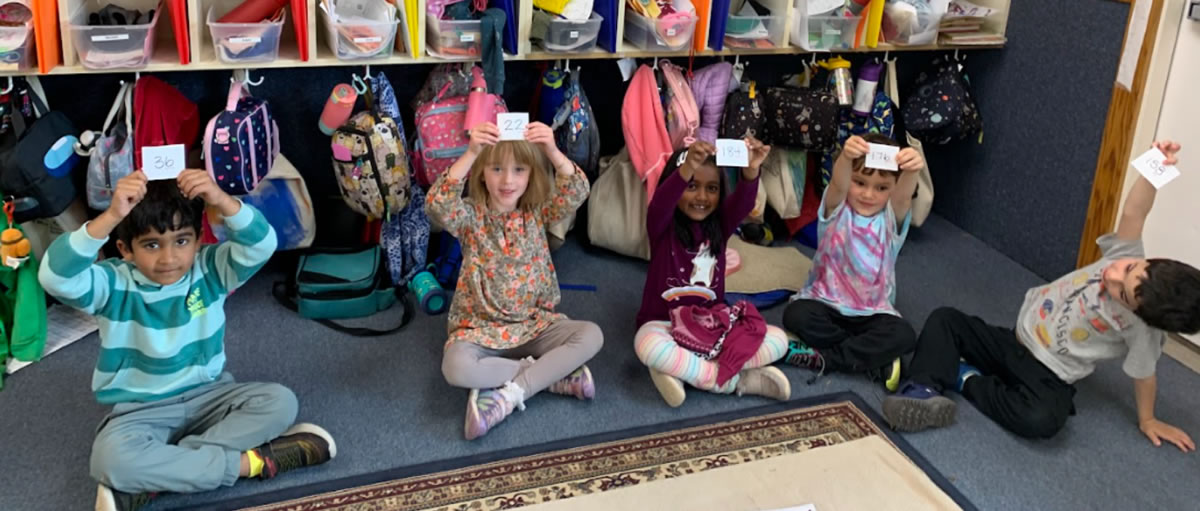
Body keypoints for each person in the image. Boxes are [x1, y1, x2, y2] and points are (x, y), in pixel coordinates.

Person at [39, 171, 334, 511]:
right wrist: (111, 216)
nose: (168, 258)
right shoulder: (111, 283)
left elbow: (262, 243)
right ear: (125, 250)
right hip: (140, 411)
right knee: (110, 459)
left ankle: (156, 479)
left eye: (181, 241)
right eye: (151, 245)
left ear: (198, 240)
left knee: (280, 402)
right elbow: (54, 275)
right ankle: (252, 465)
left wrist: (221, 199)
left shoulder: (211, 269)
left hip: (211, 394)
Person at [883, 140, 1200, 449]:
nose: (1113, 274)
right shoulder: (1125, 253)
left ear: (1140, 313)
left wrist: (1148, 420)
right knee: (945, 320)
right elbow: (1135, 211)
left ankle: (965, 378)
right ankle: (921, 388)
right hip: (1015, 339)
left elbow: (1145, 375)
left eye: (1122, 292)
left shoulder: (1144, 330)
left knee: (1042, 420)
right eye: (1128, 268)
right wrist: (1155, 168)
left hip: (1050, 373)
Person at [428, 121, 602, 440]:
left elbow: (578, 189)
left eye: (519, 170)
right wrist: (470, 153)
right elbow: (438, 205)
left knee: (592, 335)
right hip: (480, 329)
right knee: (455, 369)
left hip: (534, 324)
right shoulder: (470, 216)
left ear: (531, 175)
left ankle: (510, 394)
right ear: (482, 173)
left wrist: (550, 149)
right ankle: (553, 376)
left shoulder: (538, 211)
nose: (508, 180)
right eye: (496, 169)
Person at [634, 138, 792, 407]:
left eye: (712, 189)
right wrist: (686, 170)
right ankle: (735, 380)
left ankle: (685, 372)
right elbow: (661, 202)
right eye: (691, 187)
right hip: (666, 326)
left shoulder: (720, 225)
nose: (702, 197)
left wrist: (751, 169)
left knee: (779, 340)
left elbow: (742, 203)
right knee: (646, 342)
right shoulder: (661, 227)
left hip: (712, 326)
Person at [781, 133, 923, 391]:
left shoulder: (891, 221)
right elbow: (837, 184)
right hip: (825, 303)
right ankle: (870, 358)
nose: (869, 194)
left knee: (904, 335)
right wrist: (846, 157)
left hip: (874, 313)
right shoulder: (836, 210)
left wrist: (912, 171)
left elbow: (902, 197)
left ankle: (827, 357)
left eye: (881, 188)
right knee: (796, 315)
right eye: (860, 182)